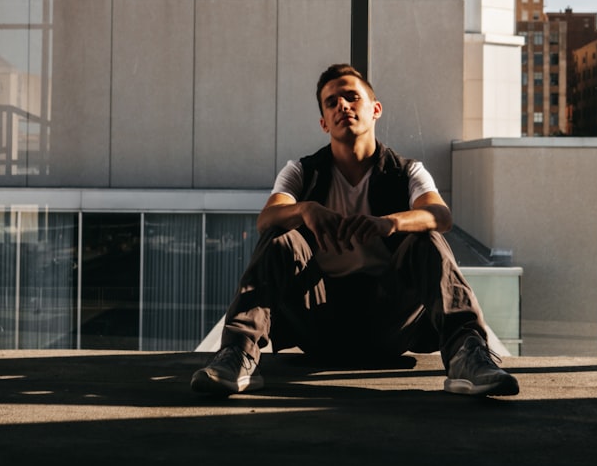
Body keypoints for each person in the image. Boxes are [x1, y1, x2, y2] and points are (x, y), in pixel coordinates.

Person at [190, 63, 518, 397]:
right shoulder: (302, 171)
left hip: (389, 323)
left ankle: (468, 357)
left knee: (427, 239)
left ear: (375, 109)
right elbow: (266, 220)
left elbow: (440, 216)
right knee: (280, 236)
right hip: (318, 323)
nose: (342, 106)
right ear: (323, 122)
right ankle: (237, 355)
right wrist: (306, 210)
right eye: (331, 103)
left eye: (351, 97)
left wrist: (389, 223)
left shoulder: (407, 171)